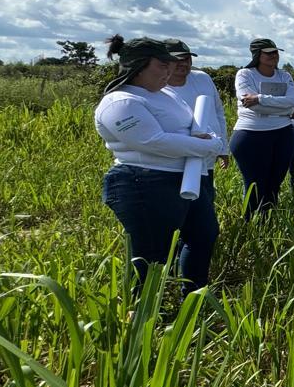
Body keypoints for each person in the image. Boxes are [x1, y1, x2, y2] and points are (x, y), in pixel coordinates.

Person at [95, 35, 224, 293]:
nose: (170, 70)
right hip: (144, 182)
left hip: (187, 179)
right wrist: (209, 145)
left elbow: (194, 128)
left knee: (203, 237)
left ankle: (193, 299)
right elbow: (154, 142)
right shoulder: (120, 102)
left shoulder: (166, 95)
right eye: (162, 65)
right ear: (139, 66)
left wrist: (208, 139)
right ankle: (141, 314)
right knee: (152, 257)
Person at [230, 37, 294, 218]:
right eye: (268, 53)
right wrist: (284, 109)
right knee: (254, 186)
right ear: (257, 55)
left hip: (283, 134)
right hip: (251, 135)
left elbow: (292, 101)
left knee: (274, 185)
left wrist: (260, 98)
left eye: (275, 52)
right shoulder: (245, 74)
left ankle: (268, 225)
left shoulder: (284, 75)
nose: (273, 56)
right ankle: (250, 228)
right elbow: (250, 105)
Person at [162, 38, 229, 171]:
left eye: (187, 59)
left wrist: (223, 148)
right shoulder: (157, 87)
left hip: (208, 156)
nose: (183, 63)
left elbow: (218, 113)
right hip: (175, 161)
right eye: (177, 59)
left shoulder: (203, 78)